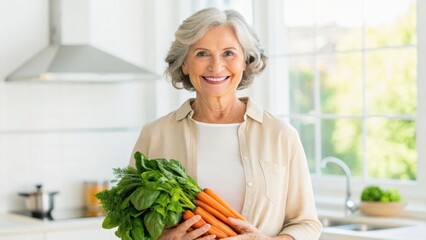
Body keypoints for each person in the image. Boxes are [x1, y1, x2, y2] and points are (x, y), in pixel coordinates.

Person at [130, 7, 322, 240]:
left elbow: (307, 224)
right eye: (202, 53)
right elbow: (130, 221)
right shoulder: (155, 134)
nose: (216, 66)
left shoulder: (281, 135)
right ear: (184, 64)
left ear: (245, 61)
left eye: (229, 53)